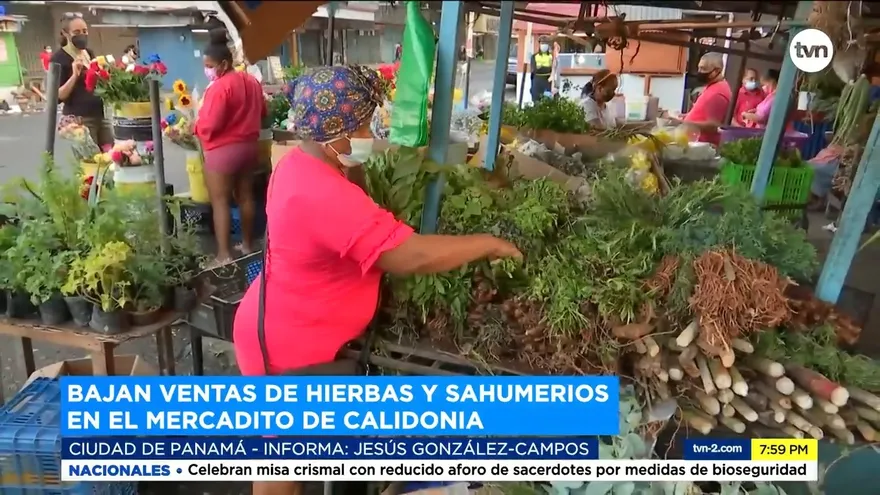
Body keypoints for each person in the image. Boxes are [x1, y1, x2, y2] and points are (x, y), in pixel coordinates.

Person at [232, 65, 522, 495]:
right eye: (364, 124)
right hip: (288, 349)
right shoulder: (320, 194)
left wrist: (354, 169)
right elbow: (411, 255)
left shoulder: (299, 162)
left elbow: (350, 205)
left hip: (278, 318)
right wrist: (487, 243)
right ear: (337, 131)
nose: (370, 133)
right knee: (281, 470)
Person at [194, 28, 265, 265]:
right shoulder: (253, 82)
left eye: (210, 65)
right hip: (249, 148)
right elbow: (264, 112)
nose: (208, 70)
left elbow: (210, 125)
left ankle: (224, 255)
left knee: (220, 201)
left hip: (222, 152)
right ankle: (246, 244)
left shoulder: (219, 88)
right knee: (246, 197)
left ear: (223, 64)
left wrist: (195, 129)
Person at [51, 12, 113, 148]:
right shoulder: (59, 59)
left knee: (111, 157)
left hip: (100, 115)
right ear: (66, 33)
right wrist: (74, 75)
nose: (82, 35)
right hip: (80, 119)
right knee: (91, 162)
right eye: (77, 32)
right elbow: (57, 96)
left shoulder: (88, 53)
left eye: (85, 31)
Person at [668, 53, 731, 144]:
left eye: (703, 69)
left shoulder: (718, 93)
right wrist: (685, 116)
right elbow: (704, 114)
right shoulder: (711, 86)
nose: (699, 72)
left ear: (717, 71)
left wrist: (683, 124)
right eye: (699, 68)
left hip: (702, 145)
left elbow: (713, 126)